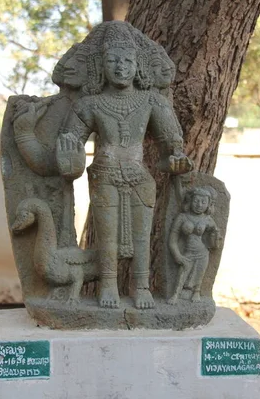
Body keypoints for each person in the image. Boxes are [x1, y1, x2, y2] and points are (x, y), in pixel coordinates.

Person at [56, 22, 193, 309]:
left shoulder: (152, 101)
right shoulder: (90, 105)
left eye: (127, 61)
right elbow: (72, 141)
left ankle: (140, 286)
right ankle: (108, 285)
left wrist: (177, 160)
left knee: (142, 237)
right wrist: (68, 149)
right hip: (104, 175)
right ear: (100, 66)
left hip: (139, 176)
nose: (120, 67)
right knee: (106, 236)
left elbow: (171, 145)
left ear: (138, 65)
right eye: (112, 61)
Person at [167, 186, 222, 304]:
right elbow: (172, 240)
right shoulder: (182, 217)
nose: (199, 205)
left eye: (203, 202)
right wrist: (178, 256)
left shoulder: (208, 219)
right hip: (188, 252)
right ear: (190, 201)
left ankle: (196, 292)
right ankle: (175, 294)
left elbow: (215, 241)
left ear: (208, 205)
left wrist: (214, 233)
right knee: (182, 274)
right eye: (196, 201)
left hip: (203, 253)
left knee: (199, 275)